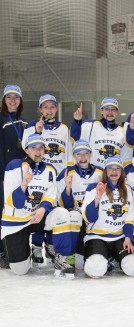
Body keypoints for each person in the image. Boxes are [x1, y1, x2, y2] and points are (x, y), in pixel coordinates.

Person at [1, 134, 77, 279]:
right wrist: (24, 184)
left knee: (62, 213)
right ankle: (25, 250)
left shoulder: (50, 170)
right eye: (33, 148)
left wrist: (42, 209)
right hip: (15, 222)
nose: (38, 151)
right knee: (20, 270)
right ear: (26, 150)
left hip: (37, 217)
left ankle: (62, 256)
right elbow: (14, 203)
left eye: (41, 148)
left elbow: (50, 195)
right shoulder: (14, 166)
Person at [22, 94, 73, 262]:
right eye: (45, 107)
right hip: (39, 175)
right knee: (39, 208)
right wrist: (37, 131)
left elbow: (68, 153)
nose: (49, 110)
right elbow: (25, 147)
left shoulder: (64, 128)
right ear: (40, 109)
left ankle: (50, 244)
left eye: (52, 107)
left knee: (54, 211)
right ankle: (36, 246)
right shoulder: (31, 126)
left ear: (56, 109)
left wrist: (67, 173)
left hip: (57, 177)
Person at [81, 155, 134, 278]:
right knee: (96, 269)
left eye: (117, 168)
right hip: (96, 236)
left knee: (133, 267)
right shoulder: (93, 188)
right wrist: (98, 197)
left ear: (121, 172)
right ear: (106, 171)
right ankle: (105, 259)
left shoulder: (128, 190)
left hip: (119, 237)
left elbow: (129, 218)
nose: (114, 171)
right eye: (110, 168)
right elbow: (88, 218)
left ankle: (111, 258)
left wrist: (128, 237)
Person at [57, 140, 103, 269]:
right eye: (79, 154)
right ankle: (68, 255)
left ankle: (106, 253)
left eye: (86, 153)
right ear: (74, 156)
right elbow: (65, 204)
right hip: (75, 216)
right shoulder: (66, 173)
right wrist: (67, 188)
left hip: (93, 215)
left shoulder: (100, 172)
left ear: (91, 154)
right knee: (74, 216)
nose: (83, 158)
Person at [0, 84, 27, 268]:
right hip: (3, 174)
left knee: (14, 210)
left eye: (16, 97)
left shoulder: (23, 122)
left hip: (18, 174)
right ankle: (2, 251)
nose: (12, 100)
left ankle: (13, 249)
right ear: (4, 100)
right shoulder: (1, 119)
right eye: (9, 97)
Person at [70, 98, 132, 169]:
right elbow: (74, 139)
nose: (110, 112)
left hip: (112, 176)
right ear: (101, 111)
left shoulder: (123, 131)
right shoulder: (90, 125)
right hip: (93, 175)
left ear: (117, 112)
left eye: (113, 109)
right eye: (107, 109)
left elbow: (125, 158)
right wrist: (77, 121)